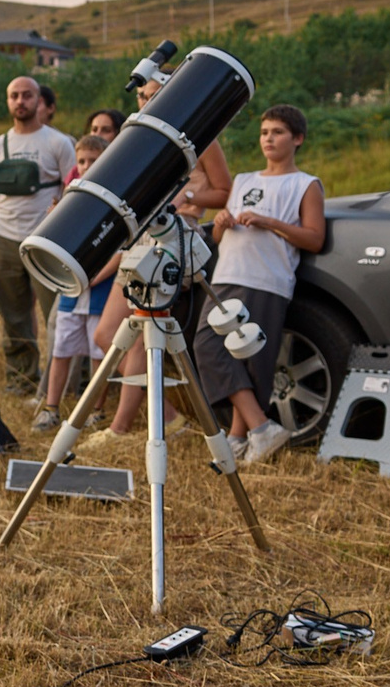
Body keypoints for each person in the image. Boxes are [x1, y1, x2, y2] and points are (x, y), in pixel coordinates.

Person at [91, 67, 233, 438]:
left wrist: (186, 197)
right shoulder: (136, 136)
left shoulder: (201, 137)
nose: (147, 101)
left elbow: (223, 192)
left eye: (155, 94)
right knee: (106, 335)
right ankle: (170, 417)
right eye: (141, 96)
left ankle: (120, 429)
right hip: (138, 240)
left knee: (139, 337)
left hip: (173, 239)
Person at [196, 105, 327, 464]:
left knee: (250, 357)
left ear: (297, 139)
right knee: (207, 345)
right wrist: (221, 221)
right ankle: (259, 428)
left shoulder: (305, 184)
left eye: (277, 132)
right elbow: (221, 238)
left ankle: (239, 438)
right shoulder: (242, 180)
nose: (268, 138)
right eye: (264, 132)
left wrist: (270, 222)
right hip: (226, 274)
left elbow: (314, 238)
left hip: (266, 279)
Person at [0, 75, 77, 407]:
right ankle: (21, 378)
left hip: (46, 239)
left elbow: (74, 189)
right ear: (8, 101)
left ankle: (67, 382)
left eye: (27, 95)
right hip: (4, 237)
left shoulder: (58, 142)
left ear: (39, 100)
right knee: (12, 313)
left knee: (59, 315)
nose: (20, 101)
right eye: (14, 95)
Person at [42, 134, 116, 423]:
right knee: (62, 348)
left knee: (98, 351)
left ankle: (95, 409)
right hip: (72, 288)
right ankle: (51, 408)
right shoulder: (70, 195)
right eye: (82, 161)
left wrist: (95, 276)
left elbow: (120, 250)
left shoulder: (115, 197)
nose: (86, 166)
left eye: (94, 161)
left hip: (100, 286)